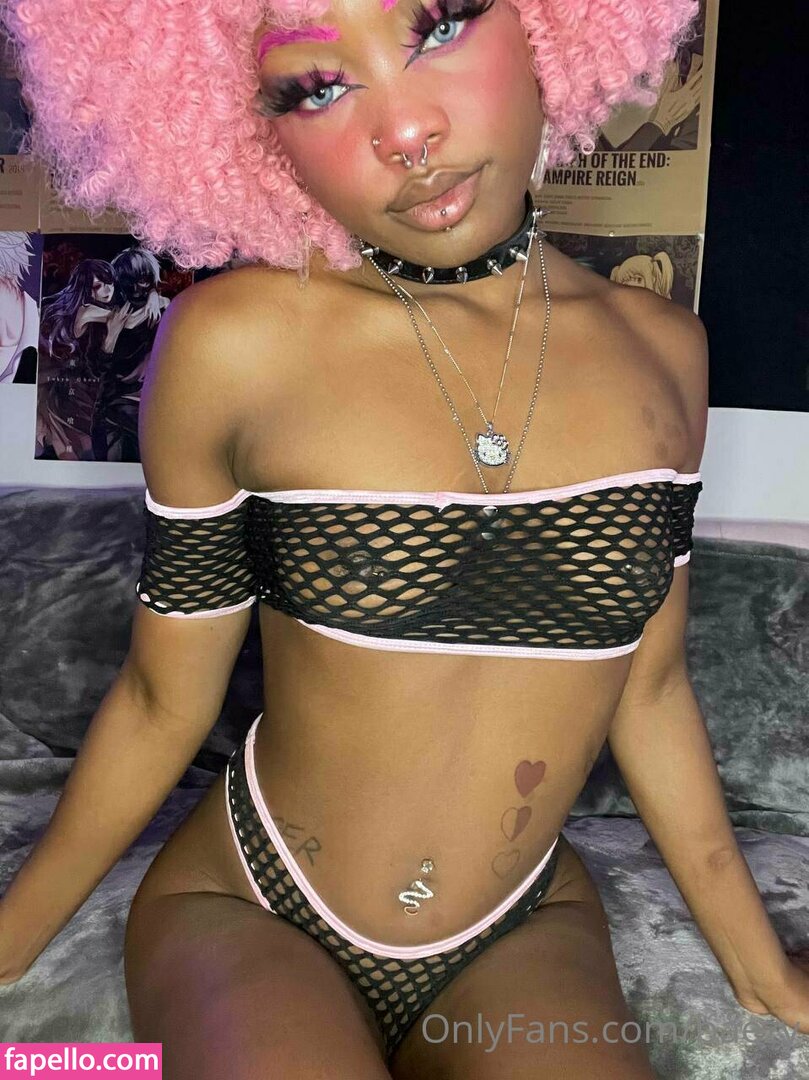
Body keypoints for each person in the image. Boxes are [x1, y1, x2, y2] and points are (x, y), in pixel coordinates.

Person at [1, 0, 807, 1077]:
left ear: (555, 29)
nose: (405, 132)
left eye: (436, 29)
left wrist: (760, 968)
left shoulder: (664, 351)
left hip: (521, 921)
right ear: (250, 132)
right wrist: (9, 945)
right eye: (317, 88)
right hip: (254, 903)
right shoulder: (235, 344)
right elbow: (160, 700)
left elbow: (649, 687)